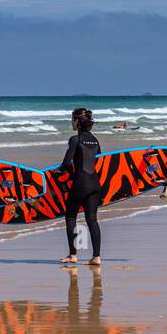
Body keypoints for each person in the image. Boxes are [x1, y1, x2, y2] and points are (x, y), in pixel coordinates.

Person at [58, 107, 102, 267]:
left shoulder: (75, 139)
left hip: (80, 184)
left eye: (72, 119)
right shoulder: (95, 140)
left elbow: (66, 163)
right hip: (95, 184)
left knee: (70, 217)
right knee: (92, 219)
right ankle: (96, 257)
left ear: (77, 122)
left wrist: (60, 172)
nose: (71, 122)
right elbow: (97, 160)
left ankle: (73, 255)